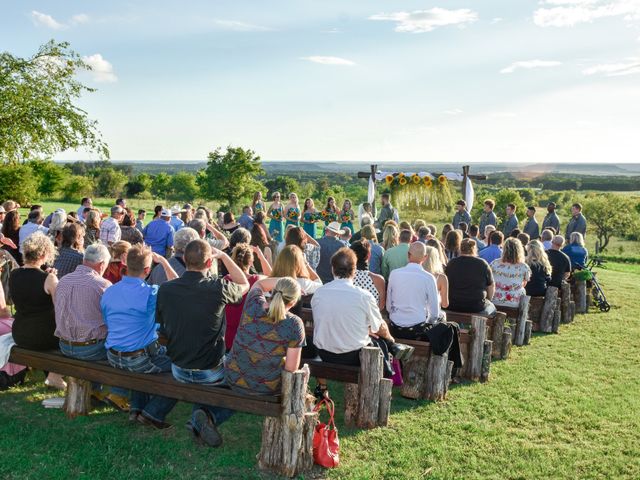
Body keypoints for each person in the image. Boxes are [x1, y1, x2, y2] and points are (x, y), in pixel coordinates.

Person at [156, 239, 248, 445]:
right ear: (209, 264)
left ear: (185, 260)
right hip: (210, 371)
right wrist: (224, 256)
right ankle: (207, 415)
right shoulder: (218, 287)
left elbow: (162, 325)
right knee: (243, 387)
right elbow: (244, 284)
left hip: (178, 367)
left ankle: (201, 414)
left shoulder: (166, 289)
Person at [102, 244, 179, 429]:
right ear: (147, 269)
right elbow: (177, 286)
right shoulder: (151, 293)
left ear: (126, 265)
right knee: (182, 369)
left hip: (113, 356)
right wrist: (164, 262)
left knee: (149, 355)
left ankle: (136, 408)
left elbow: (108, 322)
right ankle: (153, 413)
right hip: (138, 358)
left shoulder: (109, 291)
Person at [54, 243, 129, 410]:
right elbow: (115, 320)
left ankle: (95, 390)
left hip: (64, 345)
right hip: (90, 349)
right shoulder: (102, 285)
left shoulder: (63, 281)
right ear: (102, 264)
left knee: (99, 335)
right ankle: (118, 392)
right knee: (125, 345)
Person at [311, 248, 410, 375]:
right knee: (379, 339)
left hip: (324, 352)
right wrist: (391, 339)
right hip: (353, 355)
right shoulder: (364, 296)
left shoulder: (319, 293)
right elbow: (379, 327)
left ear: (332, 268)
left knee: (374, 335)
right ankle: (389, 367)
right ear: (354, 271)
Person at [225, 277, 305, 400]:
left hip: (233, 378)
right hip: (266, 389)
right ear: (294, 302)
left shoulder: (253, 303)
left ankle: (212, 416)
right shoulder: (294, 324)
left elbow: (259, 284)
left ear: (273, 291)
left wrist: (288, 281)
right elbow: (291, 368)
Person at [387, 242, 462, 374]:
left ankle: (452, 370)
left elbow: (389, 306)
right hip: (417, 331)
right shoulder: (428, 278)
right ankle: (451, 371)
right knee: (452, 327)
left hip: (395, 327)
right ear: (425, 257)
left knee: (450, 326)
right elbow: (434, 313)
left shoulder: (394, 274)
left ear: (408, 255)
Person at [9, 232, 65, 389]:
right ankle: (54, 375)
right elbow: (60, 309)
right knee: (68, 336)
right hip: (44, 336)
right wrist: (53, 280)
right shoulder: (48, 279)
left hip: (20, 332)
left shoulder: (14, 274)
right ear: (44, 253)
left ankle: (53, 375)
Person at [223, 243, 271, 351]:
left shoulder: (226, 280)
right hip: (249, 339)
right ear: (251, 261)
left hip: (228, 338)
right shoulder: (257, 280)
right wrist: (261, 256)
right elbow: (272, 276)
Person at [445, 239, 496, 315]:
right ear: (474, 249)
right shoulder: (482, 264)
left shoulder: (451, 263)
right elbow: (491, 285)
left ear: (460, 248)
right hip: (476, 307)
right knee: (493, 308)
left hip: (452, 305)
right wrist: (488, 299)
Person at [490, 238, 531, 308]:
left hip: (495, 300)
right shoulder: (524, 267)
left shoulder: (494, 263)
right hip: (514, 302)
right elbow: (524, 283)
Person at [350, 240, 386, 310]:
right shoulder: (379, 280)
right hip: (371, 319)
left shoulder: (346, 279)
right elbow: (381, 306)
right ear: (369, 256)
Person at [423, 245, 449, 309]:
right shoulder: (442, 278)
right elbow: (445, 304)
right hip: (433, 314)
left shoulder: (417, 275)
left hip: (417, 313)